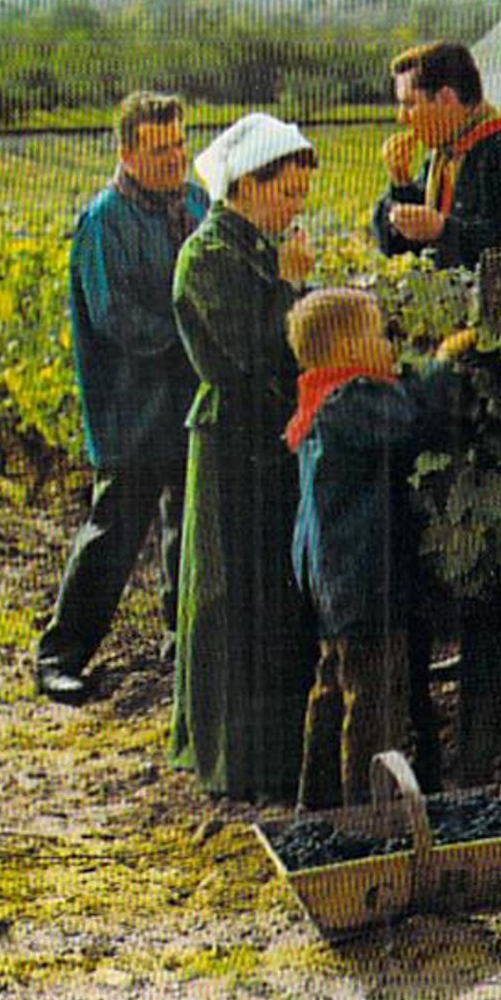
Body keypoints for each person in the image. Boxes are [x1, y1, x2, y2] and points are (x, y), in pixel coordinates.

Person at [34, 91, 208, 705]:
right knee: (114, 533)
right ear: (127, 153)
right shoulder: (103, 221)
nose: (173, 157)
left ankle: (181, 639)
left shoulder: (195, 202)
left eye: (179, 144)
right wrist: (195, 338)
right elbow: (117, 319)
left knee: (189, 530)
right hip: (131, 408)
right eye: (159, 149)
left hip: (190, 401)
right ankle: (60, 655)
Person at [166, 112, 320, 802]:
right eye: (285, 193)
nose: (293, 209)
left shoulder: (254, 245)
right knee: (234, 596)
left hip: (266, 434)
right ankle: (235, 759)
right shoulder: (207, 257)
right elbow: (254, 355)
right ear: (245, 185)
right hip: (231, 439)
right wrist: (290, 289)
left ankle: (273, 751)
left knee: (271, 598)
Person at [282, 287, 473, 809]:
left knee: (333, 691)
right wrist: (445, 366)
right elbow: (410, 415)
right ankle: (367, 820)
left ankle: (316, 809)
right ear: (347, 350)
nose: (389, 345)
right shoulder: (351, 402)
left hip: (336, 584)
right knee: (375, 705)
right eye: (379, 334)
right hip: (364, 584)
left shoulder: (324, 396)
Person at [371, 41, 501, 366]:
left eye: (409, 104)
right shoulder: (441, 159)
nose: (402, 118)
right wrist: (400, 186)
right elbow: (399, 251)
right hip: (460, 346)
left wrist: (444, 230)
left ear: (445, 99)